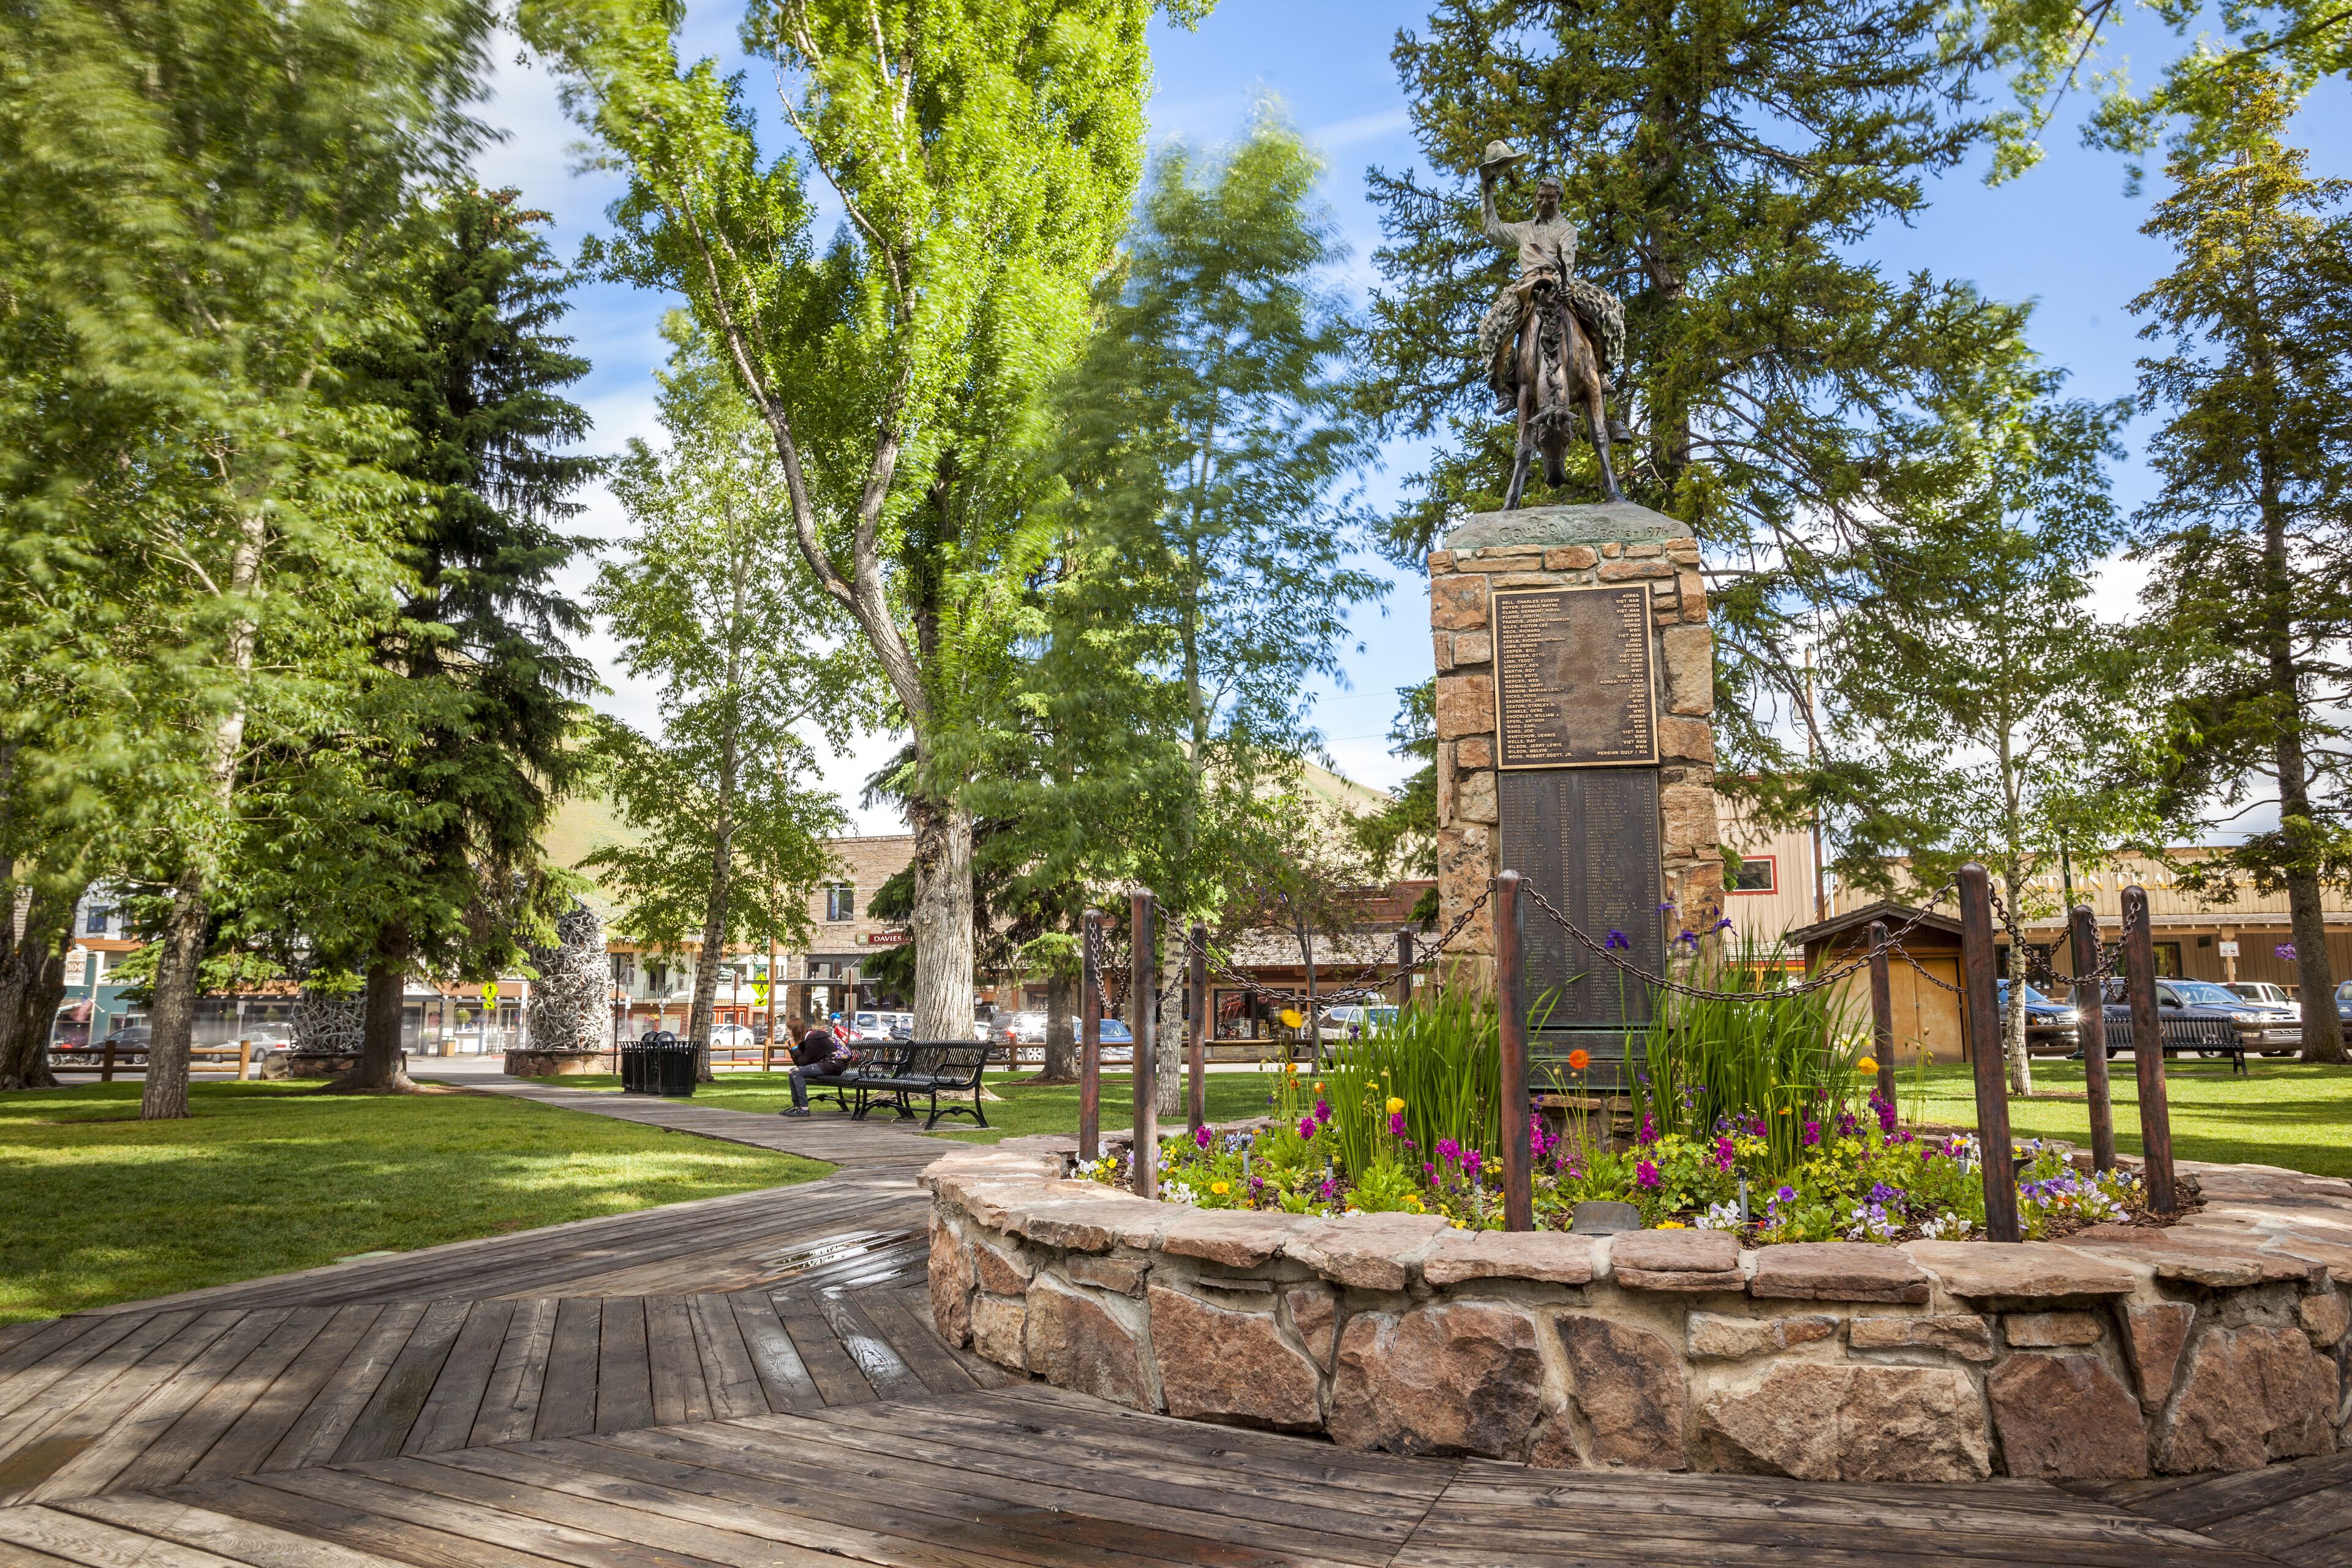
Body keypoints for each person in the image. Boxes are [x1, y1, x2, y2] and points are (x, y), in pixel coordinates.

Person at [1474, 145, 1624, 414]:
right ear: (1535, 197)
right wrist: (1487, 190)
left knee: (1606, 311)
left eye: (1550, 198)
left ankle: (1602, 369)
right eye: (1541, 197)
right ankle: (1505, 387)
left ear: (1559, 201)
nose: (1544, 202)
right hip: (1527, 286)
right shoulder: (1524, 229)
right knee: (1494, 327)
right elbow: (1493, 229)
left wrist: (1565, 284)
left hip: (1559, 281)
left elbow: (1567, 257)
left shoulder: (1566, 229)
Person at [778, 1016, 845, 1117]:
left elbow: (804, 1063)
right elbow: (800, 1063)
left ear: (797, 1030)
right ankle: (797, 1107)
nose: (787, 1031)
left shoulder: (812, 1039)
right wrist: (792, 1048)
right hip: (825, 1064)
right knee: (793, 1072)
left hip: (833, 1064)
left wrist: (795, 1048)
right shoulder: (805, 1040)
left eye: (790, 1029)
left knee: (796, 1072)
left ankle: (804, 1109)